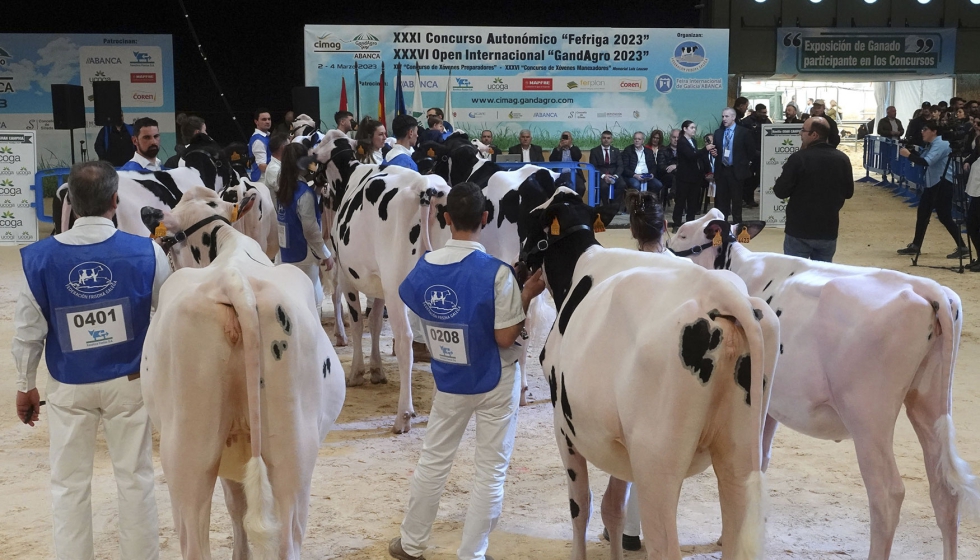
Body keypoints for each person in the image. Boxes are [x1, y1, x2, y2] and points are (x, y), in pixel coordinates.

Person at [13, 161, 169, 560]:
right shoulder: (147, 252)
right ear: (115, 201)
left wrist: (24, 383)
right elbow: (170, 316)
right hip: (130, 383)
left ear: (70, 204)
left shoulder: (37, 259)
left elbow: (28, 332)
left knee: (68, 484)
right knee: (135, 480)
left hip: (68, 383)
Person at [390, 181, 546, 560]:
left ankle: (411, 544)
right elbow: (507, 337)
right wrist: (525, 294)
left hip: (449, 379)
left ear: (445, 219)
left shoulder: (422, 268)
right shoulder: (497, 272)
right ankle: (472, 554)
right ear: (486, 217)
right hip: (494, 377)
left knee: (434, 459)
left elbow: (416, 310)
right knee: (490, 470)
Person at [771, 117, 854, 262]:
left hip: (799, 230)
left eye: (803, 130)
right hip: (828, 229)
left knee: (795, 276)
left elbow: (780, 191)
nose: (800, 133)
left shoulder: (798, 158)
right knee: (822, 277)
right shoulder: (842, 159)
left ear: (814, 135)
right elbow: (849, 193)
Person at [897, 121, 969, 258]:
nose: (922, 132)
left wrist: (908, 155)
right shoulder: (933, 144)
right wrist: (912, 152)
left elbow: (927, 162)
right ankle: (916, 245)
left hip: (943, 184)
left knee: (944, 216)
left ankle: (963, 247)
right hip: (933, 183)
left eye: (925, 129)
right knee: (923, 213)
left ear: (934, 131)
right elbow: (924, 158)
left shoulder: (941, 143)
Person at [277, 143, 334, 310]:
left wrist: (316, 190)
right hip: (304, 255)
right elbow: (310, 229)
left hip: (287, 252)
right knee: (312, 302)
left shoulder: (284, 188)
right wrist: (325, 254)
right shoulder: (303, 193)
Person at [707, 107, 756, 224]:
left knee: (737, 200)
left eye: (726, 116)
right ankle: (722, 226)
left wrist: (744, 163)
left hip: (736, 170)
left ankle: (737, 225)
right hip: (722, 170)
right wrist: (714, 153)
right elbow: (717, 150)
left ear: (733, 117)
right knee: (722, 201)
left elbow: (751, 151)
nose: (724, 119)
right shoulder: (718, 133)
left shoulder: (744, 132)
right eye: (723, 116)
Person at [673, 120, 707, 230]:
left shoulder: (694, 141)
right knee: (681, 200)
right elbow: (691, 156)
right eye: (692, 127)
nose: (694, 130)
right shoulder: (681, 141)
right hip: (684, 176)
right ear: (685, 129)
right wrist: (705, 150)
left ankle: (691, 222)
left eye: (695, 128)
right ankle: (677, 223)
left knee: (693, 201)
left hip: (694, 176)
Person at [741, 104, 771, 209]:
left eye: (765, 112)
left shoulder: (767, 122)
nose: (764, 114)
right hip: (750, 154)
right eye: (762, 112)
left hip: (762, 154)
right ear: (757, 112)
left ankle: (749, 198)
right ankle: (746, 198)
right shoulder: (747, 122)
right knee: (748, 177)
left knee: (758, 177)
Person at [589, 130, 627, 209]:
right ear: (601, 139)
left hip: (614, 174)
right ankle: (606, 207)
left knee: (622, 184)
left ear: (611, 140)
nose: (606, 140)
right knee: (604, 186)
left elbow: (620, 166)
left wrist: (615, 176)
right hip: (600, 174)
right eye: (604, 138)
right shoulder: (594, 151)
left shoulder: (616, 151)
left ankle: (615, 207)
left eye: (608, 138)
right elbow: (593, 166)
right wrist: (603, 176)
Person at [962, 118, 980, 271]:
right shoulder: (976, 137)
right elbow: (973, 153)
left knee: (974, 223)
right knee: (972, 224)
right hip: (976, 186)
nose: (975, 126)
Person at [622, 131, 661, 195]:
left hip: (647, 176)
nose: (637, 140)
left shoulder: (649, 151)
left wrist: (652, 174)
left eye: (639, 139)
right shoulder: (628, 150)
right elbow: (625, 167)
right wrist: (635, 175)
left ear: (643, 141)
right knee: (636, 185)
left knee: (658, 185)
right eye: (635, 139)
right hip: (633, 176)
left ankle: (650, 202)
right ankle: (637, 203)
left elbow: (654, 166)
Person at [548, 131, 585, 195]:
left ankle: (576, 203)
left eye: (567, 138)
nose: (565, 140)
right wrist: (559, 147)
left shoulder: (575, 148)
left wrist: (570, 146)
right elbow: (552, 160)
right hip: (560, 174)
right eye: (563, 137)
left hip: (574, 174)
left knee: (581, 188)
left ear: (571, 140)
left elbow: (577, 157)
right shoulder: (557, 149)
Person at [248, 108, 273, 181]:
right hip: (262, 179)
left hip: (267, 177)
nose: (267, 122)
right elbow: (261, 166)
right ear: (256, 122)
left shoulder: (266, 137)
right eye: (264, 119)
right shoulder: (258, 140)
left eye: (269, 119)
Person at [657, 129, 680, 205]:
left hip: (680, 174)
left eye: (678, 137)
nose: (676, 139)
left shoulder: (684, 150)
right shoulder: (662, 150)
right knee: (676, 177)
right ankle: (679, 204)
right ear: (670, 138)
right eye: (674, 137)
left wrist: (676, 166)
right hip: (666, 175)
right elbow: (661, 166)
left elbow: (687, 164)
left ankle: (673, 193)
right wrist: (674, 169)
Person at [264, 132, 288, 202]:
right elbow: (285, 192)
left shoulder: (283, 164)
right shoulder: (273, 169)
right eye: (289, 146)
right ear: (283, 148)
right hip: (278, 210)